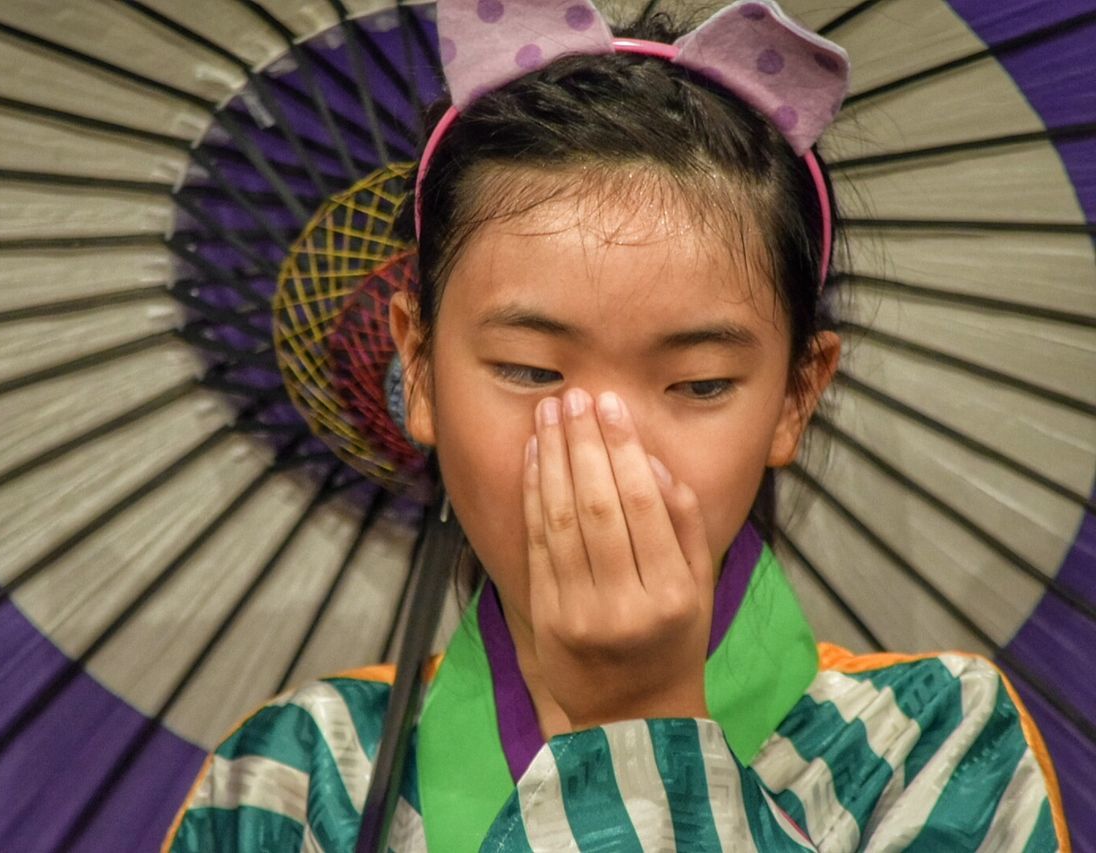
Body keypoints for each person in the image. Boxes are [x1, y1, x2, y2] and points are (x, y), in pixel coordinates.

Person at [164, 0, 1068, 849]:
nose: (608, 444)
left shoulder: (938, 740)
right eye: (529, 369)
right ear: (420, 364)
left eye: (700, 383)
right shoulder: (290, 778)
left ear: (796, 395)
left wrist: (638, 722)